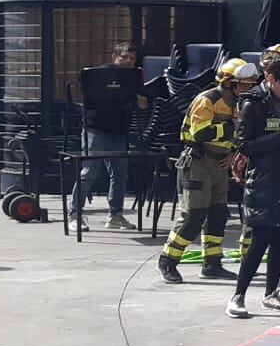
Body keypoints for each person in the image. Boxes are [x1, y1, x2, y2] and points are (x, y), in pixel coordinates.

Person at [158, 58, 259, 284]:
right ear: (229, 83)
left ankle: (212, 264)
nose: (247, 89)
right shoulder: (207, 100)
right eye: (243, 84)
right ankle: (168, 260)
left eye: (249, 85)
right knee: (193, 216)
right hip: (197, 162)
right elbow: (201, 133)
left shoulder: (240, 103)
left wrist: (233, 151)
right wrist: (232, 126)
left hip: (220, 164)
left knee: (217, 214)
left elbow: (239, 136)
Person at [228, 55, 280, 319]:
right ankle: (238, 295)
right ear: (270, 79)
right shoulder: (253, 104)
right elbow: (245, 145)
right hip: (264, 180)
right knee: (259, 239)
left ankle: (271, 292)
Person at [69, 41, 142, 232]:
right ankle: (75, 213)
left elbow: (141, 97)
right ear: (114, 57)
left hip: (119, 131)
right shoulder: (101, 74)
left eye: (131, 58)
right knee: (88, 172)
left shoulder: (132, 77)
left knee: (119, 175)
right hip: (96, 129)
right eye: (124, 57)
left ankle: (115, 215)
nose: (127, 61)